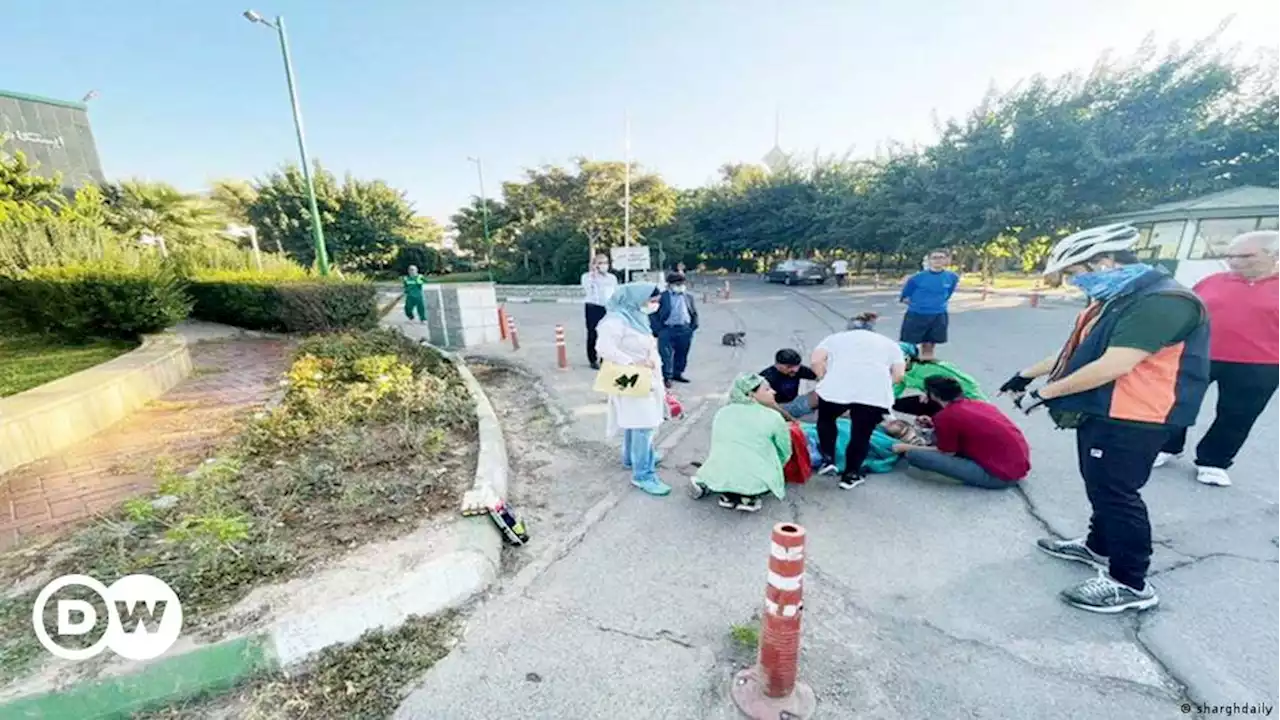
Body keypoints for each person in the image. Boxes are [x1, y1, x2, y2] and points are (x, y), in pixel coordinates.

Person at [1000, 223, 1210, 614]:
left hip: (1136, 414)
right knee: (1099, 483)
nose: (1073, 283)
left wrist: (1044, 394)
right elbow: (1078, 351)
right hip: (1106, 408)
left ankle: (1130, 583)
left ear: (1104, 262)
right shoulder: (1118, 297)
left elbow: (1115, 363)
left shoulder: (1162, 301)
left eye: (1075, 273)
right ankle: (1098, 545)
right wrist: (1029, 372)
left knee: (1117, 493)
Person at [1155, 230, 1280, 486]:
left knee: (1238, 414)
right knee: (1177, 402)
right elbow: (1186, 312)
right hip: (1200, 354)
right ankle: (1167, 446)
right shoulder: (1212, 281)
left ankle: (1214, 461)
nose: (1235, 261)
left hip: (1260, 364)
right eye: (1230, 255)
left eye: (1245, 255)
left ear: (1273, 255)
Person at [811, 312, 906, 489]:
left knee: (826, 420)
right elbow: (899, 375)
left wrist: (823, 378)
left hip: (836, 389)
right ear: (872, 329)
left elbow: (816, 360)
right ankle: (851, 474)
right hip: (872, 394)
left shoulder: (834, 339)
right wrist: (882, 384)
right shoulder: (890, 344)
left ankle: (829, 459)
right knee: (861, 434)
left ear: (849, 328)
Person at [595, 283, 671, 496]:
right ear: (636, 298)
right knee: (644, 425)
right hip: (629, 377)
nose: (653, 304)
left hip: (646, 377)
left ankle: (632, 457)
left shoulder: (637, 316)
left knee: (635, 422)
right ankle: (643, 474)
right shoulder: (614, 321)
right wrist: (630, 363)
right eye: (650, 300)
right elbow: (603, 348)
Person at [894, 376, 1029, 489]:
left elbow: (947, 452)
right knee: (937, 437)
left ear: (934, 395)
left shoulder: (946, 416)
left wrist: (906, 447)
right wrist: (934, 423)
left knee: (915, 455)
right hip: (1017, 465)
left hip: (998, 477)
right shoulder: (977, 404)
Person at [689, 374, 793, 512]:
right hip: (757, 478)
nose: (773, 392)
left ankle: (723, 490)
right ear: (750, 394)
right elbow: (785, 451)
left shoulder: (723, 412)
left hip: (719, 471)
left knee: (727, 462)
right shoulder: (773, 417)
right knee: (762, 467)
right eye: (767, 389)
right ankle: (749, 496)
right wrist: (776, 468)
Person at [892, 342, 986, 417]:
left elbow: (957, 390)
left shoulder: (927, 370)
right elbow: (893, 392)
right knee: (896, 403)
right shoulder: (906, 370)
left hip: (969, 401)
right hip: (950, 398)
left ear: (906, 359)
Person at [899, 249, 959, 361]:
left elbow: (948, 293)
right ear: (929, 260)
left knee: (929, 345)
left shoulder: (952, 277)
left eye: (941, 257)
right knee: (908, 346)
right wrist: (919, 305)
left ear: (946, 260)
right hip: (916, 315)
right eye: (934, 258)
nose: (938, 260)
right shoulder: (916, 278)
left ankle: (926, 364)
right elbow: (905, 297)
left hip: (938, 315)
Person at [651, 272, 699, 386]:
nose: (680, 286)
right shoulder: (662, 297)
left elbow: (693, 312)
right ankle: (667, 377)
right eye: (677, 284)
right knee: (666, 355)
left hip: (685, 329)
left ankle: (678, 373)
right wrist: (658, 330)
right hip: (667, 329)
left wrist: (693, 327)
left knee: (682, 353)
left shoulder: (688, 297)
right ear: (670, 285)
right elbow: (653, 314)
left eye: (682, 283)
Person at [581, 253, 619, 370]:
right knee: (593, 333)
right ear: (595, 265)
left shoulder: (612, 278)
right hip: (593, 307)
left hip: (607, 308)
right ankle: (592, 359)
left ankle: (605, 358)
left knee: (607, 333)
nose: (604, 265)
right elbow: (588, 288)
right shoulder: (587, 277)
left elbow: (615, 293)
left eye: (606, 263)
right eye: (600, 263)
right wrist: (594, 274)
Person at [760, 348, 819, 420]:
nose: (795, 370)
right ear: (777, 364)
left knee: (821, 394)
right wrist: (790, 418)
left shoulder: (797, 370)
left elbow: (819, 376)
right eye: (789, 367)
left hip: (794, 402)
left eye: (797, 366)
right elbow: (766, 403)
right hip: (776, 408)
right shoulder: (767, 377)